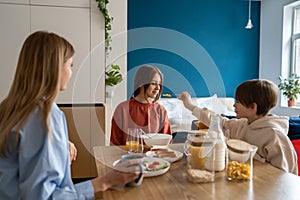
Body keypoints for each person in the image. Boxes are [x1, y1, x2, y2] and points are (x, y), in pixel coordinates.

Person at [0, 31, 142, 199]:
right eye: (70, 65)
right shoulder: (45, 116)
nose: (70, 72)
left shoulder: (9, 109)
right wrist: (104, 182)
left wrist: (58, 146)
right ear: (55, 68)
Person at [178, 79, 298, 175]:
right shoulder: (242, 124)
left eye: (238, 102)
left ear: (253, 107)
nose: (234, 105)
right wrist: (190, 105)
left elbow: (283, 174)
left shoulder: (274, 135)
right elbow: (218, 121)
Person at [110, 65, 172, 145]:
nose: (158, 88)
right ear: (141, 83)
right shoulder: (122, 109)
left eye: (159, 84)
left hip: (155, 157)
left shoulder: (161, 110)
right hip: (128, 156)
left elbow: (167, 143)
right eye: (154, 83)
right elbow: (114, 145)